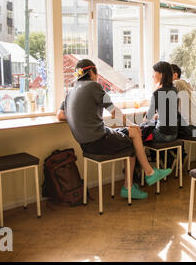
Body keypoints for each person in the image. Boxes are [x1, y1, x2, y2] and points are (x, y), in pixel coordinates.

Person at [57, 59, 172, 200]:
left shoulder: (71, 91)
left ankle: (147, 174)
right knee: (133, 139)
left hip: (86, 144)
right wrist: (131, 123)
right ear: (92, 72)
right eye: (96, 73)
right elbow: (113, 111)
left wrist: (80, 116)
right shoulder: (94, 86)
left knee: (133, 132)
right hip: (99, 140)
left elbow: (60, 115)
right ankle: (135, 184)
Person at [144, 61, 179, 143]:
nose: (152, 76)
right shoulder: (174, 90)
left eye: (154, 72)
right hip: (174, 134)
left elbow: (147, 117)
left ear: (161, 74)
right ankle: (166, 156)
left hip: (162, 135)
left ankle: (152, 156)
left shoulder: (157, 93)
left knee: (140, 133)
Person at [171, 64, 196, 138]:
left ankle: (177, 150)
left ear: (175, 75)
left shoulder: (176, 83)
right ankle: (180, 150)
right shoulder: (185, 84)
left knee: (168, 132)